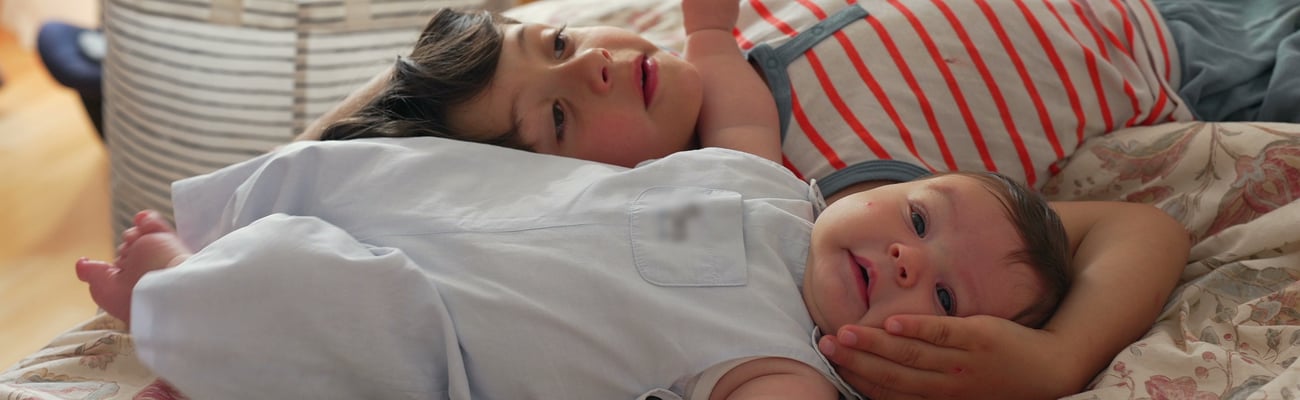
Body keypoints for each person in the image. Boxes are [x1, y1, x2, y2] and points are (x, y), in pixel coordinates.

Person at [292, 1, 1202, 397]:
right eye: (561, 117)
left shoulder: (725, 118)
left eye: (564, 38)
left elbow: (431, 79)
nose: (596, 62)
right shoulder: (825, 216)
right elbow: (1137, 227)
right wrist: (1053, 363)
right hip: (1178, 43)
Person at [75, 130, 1173, 398]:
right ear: (870, 184)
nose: (902, 255)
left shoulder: (781, 362)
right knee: (354, 166)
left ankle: (177, 294)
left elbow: (1157, 233)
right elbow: (722, 74)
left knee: (331, 309)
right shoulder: (771, 183)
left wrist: (1039, 364)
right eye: (919, 215)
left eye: (942, 294)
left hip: (438, 318)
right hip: (450, 202)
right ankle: (218, 321)